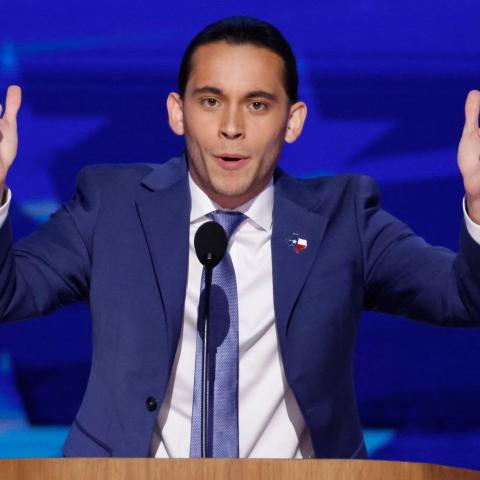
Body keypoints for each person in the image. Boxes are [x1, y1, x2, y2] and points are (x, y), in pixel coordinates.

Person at [0, 16, 480, 459]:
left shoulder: (343, 219)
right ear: (177, 112)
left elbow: (462, 297)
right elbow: (9, 294)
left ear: (292, 121)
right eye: (210, 101)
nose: (231, 128)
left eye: (257, 104)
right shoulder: (113, 205)